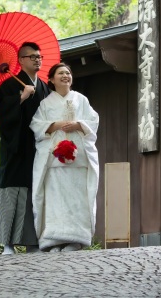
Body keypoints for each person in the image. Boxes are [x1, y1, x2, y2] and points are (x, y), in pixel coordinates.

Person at [30, 63, 100, 252]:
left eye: (68, 72)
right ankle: (55, 240)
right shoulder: (45, 103)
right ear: (51, 79)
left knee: (77, 198)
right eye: (60, 73)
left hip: (78, 159)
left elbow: (93, 121)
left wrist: (78, 124)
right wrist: (55, 125)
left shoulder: (81, 99)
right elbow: (36, 125)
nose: (65, 76)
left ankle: (76, 240)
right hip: (54, 159)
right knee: (56, 200)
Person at [0, 42, 50, 255]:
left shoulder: (44, 87)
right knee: (13, 192)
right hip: (16, 147)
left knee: (36, 193)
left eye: (39, 56)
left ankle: (32, 241)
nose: (37, 59)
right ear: (21, 60)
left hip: (38, 147)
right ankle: (7, 243)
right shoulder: (9, 86)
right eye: (32, 56)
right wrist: (21, 97)